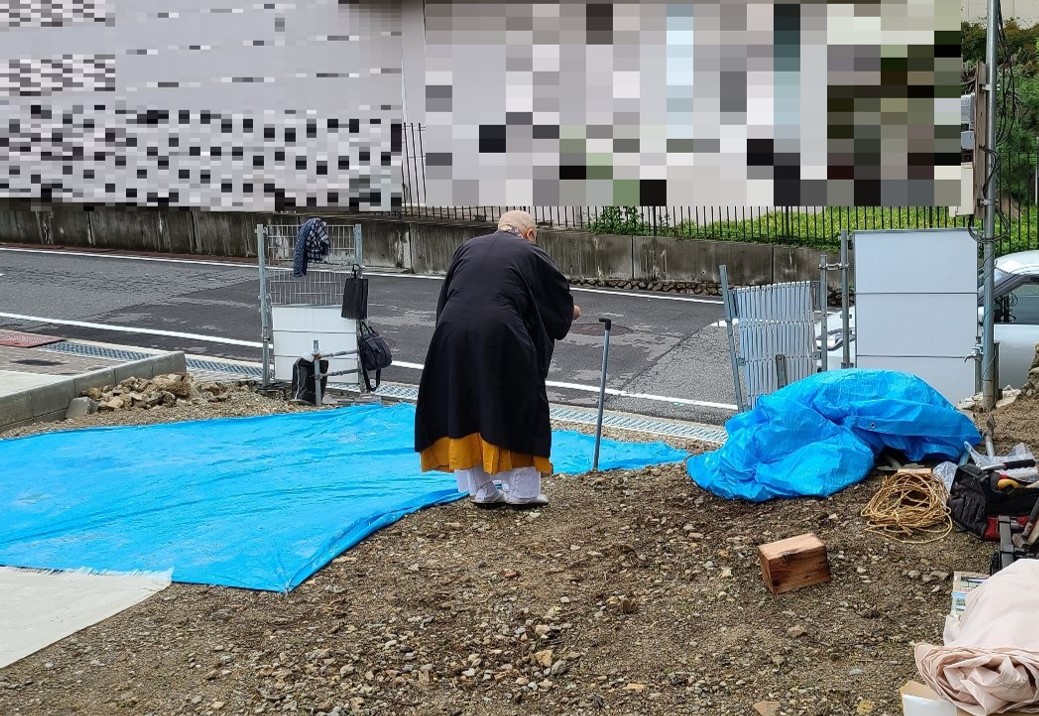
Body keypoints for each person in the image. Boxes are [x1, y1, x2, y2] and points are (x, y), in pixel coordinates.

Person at [415, 210, 581, 508]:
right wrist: (569, 313)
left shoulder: (467, 247)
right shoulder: (530, 251)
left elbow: (448, 296)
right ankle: (522, 492)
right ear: (529, 234)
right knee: (517, 402)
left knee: (464, 405)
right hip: (500, 331)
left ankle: (481, 491)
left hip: (451, 331)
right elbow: (557, 301)